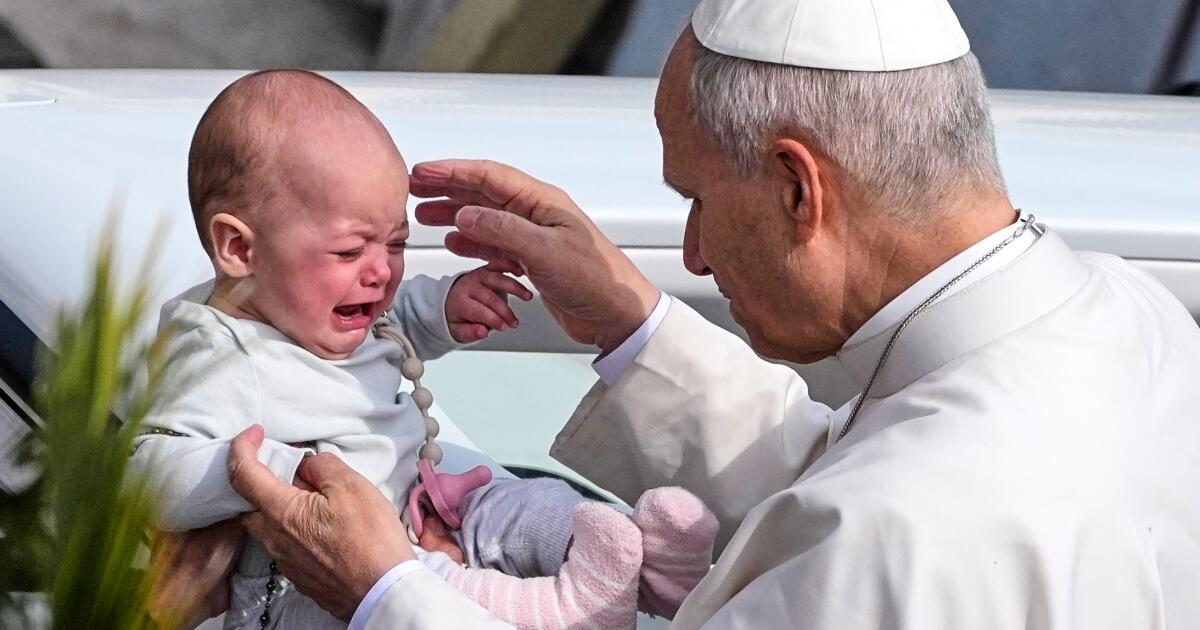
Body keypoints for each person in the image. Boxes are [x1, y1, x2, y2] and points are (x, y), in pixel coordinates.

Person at [220, 0, 1200, 628]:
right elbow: (851, 468)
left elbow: (875, 511)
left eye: (696, 199)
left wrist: (388, 595)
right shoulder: (1134, 318)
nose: (691, 254)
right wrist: (630, 323)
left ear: (797, 188)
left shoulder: (894, 537)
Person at [136, 69, 717, 629]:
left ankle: (645, 564)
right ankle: (572, 612)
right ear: (240, 249)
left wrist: (444, 307)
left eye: (396, 244)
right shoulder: (218, 353)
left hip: (422, 502)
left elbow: (394, 321)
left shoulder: (307, 307)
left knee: (521, 502)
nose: (380, 272)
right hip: (312, 577)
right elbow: (146, 470)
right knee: (424, 583)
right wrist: (267, 470)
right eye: (349, 252)